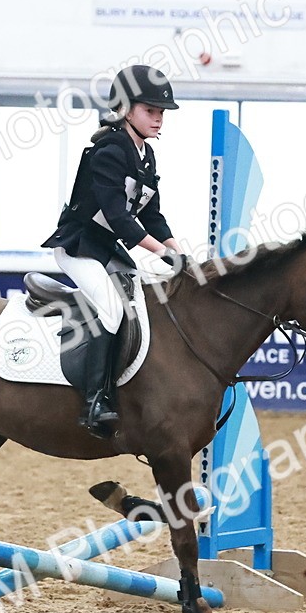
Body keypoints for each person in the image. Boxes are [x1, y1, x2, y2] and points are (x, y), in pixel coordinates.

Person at [41, 64, 184, 438]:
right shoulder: (108, 150)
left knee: (141, 303)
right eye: (150, 110)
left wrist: (176, 249)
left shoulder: (146, 155)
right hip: (79, 246)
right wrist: (161, 253)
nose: (158, 118)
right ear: (125, 109)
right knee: (112, 308)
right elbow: (119, 218)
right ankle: (94, 402)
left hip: (106, 248)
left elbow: (151, 215)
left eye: (161, 112)